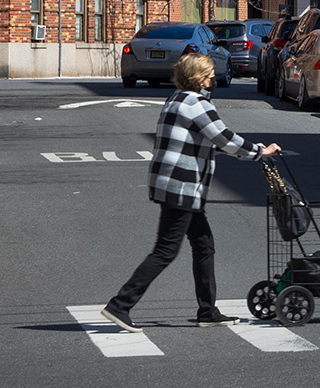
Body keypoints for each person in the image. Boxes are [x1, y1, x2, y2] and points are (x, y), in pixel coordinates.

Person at [103, 50, 279, 330]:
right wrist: (260, 151)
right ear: (199, 79)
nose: (213, 79)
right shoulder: (197, 104)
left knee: (204, 244)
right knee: (165, 250)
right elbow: (225, 140)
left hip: (174, 184)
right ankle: (120, 305)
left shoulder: (175, 99)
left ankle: (207, 311)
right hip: (182, 186)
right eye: (209, 75)